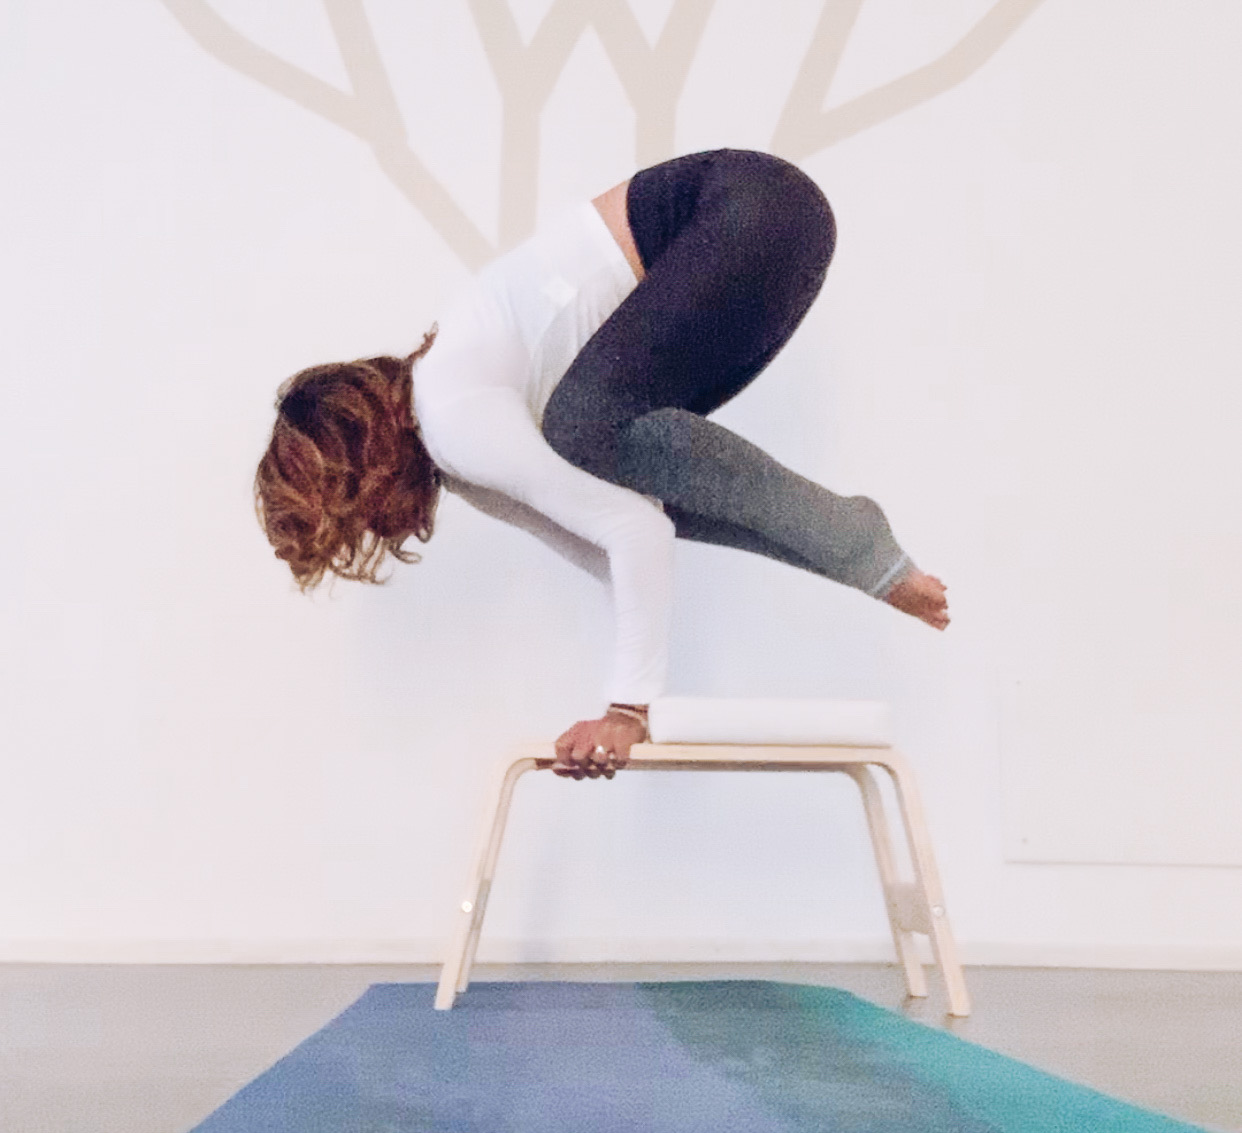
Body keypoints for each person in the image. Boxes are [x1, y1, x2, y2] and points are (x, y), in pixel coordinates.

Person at [255, 149, 949, 780]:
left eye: (352, 519)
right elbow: (619, 543)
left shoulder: (453, 417)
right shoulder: (464, 458)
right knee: (637, 476)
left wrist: (627, 708)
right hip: (772, 227)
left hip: (749, 210)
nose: (377, 531)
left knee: (584, 428)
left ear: (364, 465)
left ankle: (856, 542)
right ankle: (865, 556)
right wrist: (625, 709)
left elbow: (631, 534)